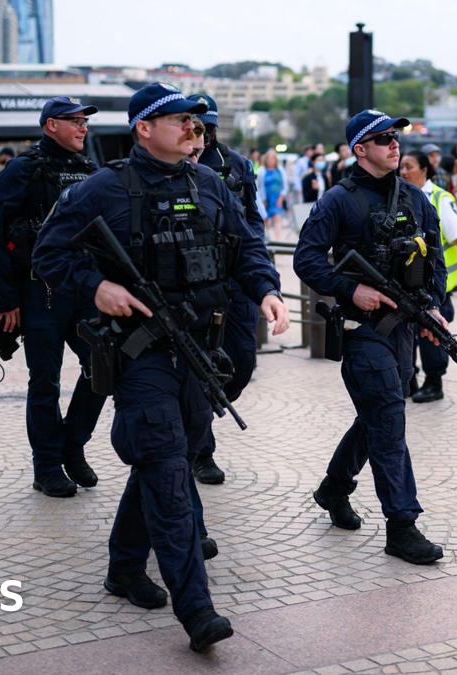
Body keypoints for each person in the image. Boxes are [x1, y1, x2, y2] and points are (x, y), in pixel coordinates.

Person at [32, 83, 289, 652]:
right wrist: (96, 287)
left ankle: (125, 567)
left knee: (162, 459)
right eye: (181, 122)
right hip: (140, 353)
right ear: (144, 129)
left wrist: (268, 291)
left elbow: (247, 247)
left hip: (199, 349)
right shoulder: (103, 188)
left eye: (197, 124)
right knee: (169, 470)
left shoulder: (210, 184)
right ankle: (196, 609)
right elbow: (49, 253)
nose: (194, 131)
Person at [293, 109, 447, 565]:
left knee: (377, 416)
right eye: (383, 139)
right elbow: (307, 259)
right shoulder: (338, 201)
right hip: (362, 331)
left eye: (396, 136)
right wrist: (350, 289)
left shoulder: (415, 198)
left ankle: (334, 488)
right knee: (388, 420)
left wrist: (433, 307)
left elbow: (435, 258)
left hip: (403, 329)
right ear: (360, 149)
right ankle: (402, 525)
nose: (394, 144)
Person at [0, 96, 106, 498]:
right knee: (45, 381)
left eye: (85, 121)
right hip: (39, 294)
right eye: (75, 121)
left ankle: (73, 445)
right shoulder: (22, 170)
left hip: (83, 290)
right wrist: (7, 298)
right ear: (51, 125)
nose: (83, 127)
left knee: (103, 366)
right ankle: (47, 466)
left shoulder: (89, 170)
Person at [186, 93, 269, 487]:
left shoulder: (236, 165)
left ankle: (198, 411)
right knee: (197, 363)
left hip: (236, 277)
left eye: (208, 126)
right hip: (194, 282)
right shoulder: (176, 164)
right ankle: (201, 450)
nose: (202, 133)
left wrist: (260, 268)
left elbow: (253, 218)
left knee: (243, 362)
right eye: (195, 125)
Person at [398, 150, 457, 403]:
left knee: (432, 337)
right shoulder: (398, 195)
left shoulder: (440, 198)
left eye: (408, 166)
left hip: (434, 288)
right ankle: (410, 380)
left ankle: (434, 383)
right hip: (406, 286)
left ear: (424, 170)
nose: (403, 172)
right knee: (407, 336)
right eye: (401, 167)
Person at [260, 150, 287, 241]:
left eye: (273, 158)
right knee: (266, 219)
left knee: (277, 218)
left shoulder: (280, 170)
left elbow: (284, 186)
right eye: (269, 158)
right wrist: (263, 200)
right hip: (266, 199)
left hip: (277, 198)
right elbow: (260, 186)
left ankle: (277, 239)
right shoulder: (262, 171)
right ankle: (268, 238)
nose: (271, 160)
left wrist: (281, 198)